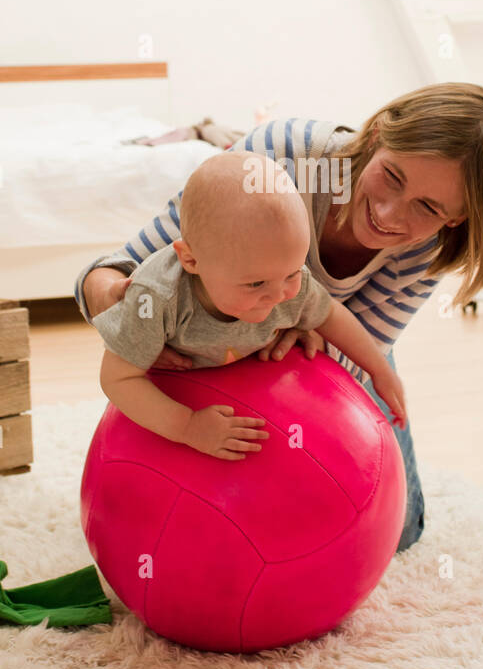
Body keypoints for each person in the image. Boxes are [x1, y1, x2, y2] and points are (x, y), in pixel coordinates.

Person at [77, 83, 483, 553]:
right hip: (204, 340)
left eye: (430, 208)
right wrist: (120, 308)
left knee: (398, 532)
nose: (390, 214)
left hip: (325, 347)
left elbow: (343, 332)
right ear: (376, 135)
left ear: (457, 217)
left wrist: (353, 358)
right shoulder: (280, 162)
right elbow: (123, 270)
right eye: (392, 176)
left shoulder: (427, 247)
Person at [93, 150, 407, 457]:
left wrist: (380, 370)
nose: (280, 295)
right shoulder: (156, 297)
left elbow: (330, 315)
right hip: (173, 393)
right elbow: (118, 378)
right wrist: (187, 426)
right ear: (190, 259)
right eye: (256, 284)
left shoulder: (282, 277)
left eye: (292, 273)